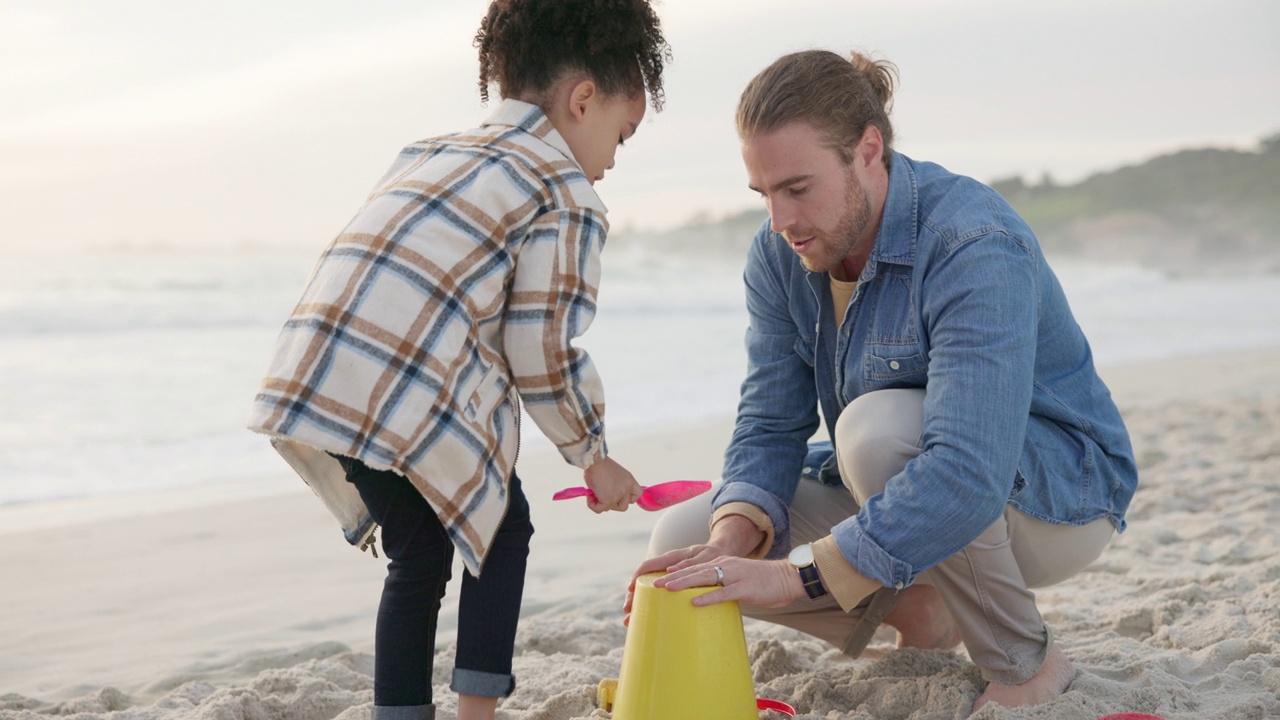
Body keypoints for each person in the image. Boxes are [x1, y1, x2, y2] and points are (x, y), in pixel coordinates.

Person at [629, 49, 1137, 715]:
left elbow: (968, 471)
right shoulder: (780, 253)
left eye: (798, 188)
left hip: (1054, 498)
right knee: (683, 548)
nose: (780, 220)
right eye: (765, 193)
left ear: (868, 150)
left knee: (875, 436)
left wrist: (792, 577)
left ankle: (1025, 663)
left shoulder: (970, 240)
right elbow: (770, 423)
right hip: (914, 487)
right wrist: (732, 541)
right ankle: (925, 613)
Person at [247, 3, 671, 719]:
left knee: (418, 553)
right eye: (620, 138)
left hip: (320, 371)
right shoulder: (564, 195)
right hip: (405, 386)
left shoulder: (429, 150)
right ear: (583, 101)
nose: (611, 162)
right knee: (504, 527)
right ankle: (477, 713)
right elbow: (538, 348)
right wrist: (592, 455)